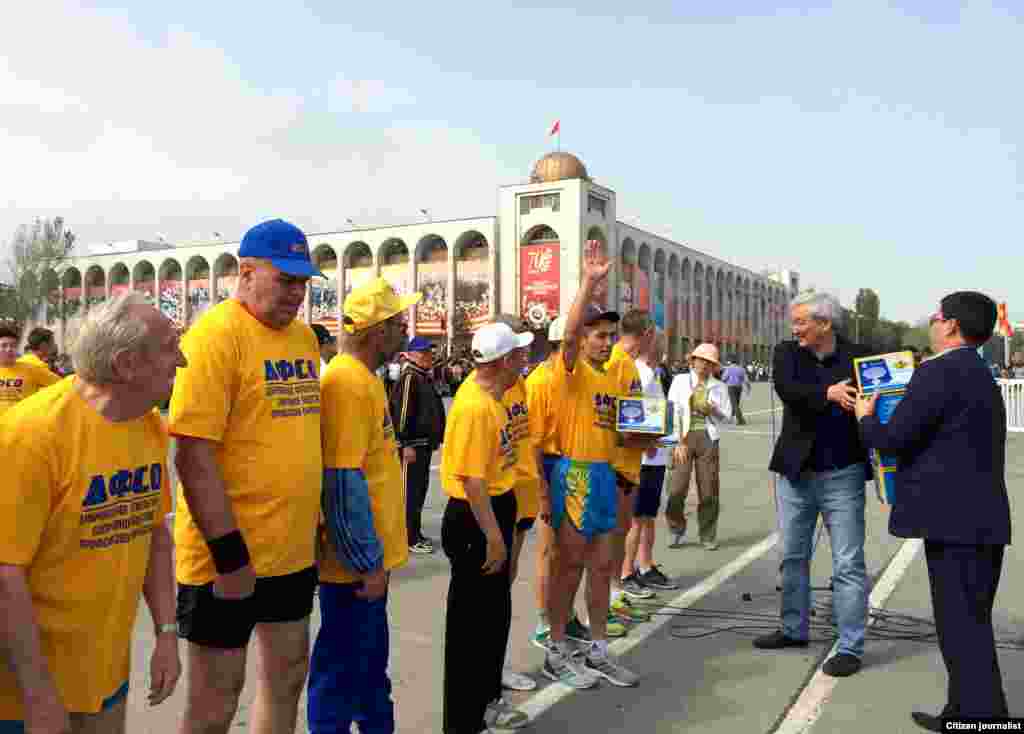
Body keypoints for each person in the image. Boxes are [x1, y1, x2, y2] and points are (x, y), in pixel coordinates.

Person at [169, 219, 325, 734]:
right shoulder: (214, 337)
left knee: (288, 675)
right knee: (216, 700)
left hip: (291, 551)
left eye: (303, 282)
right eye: (286, 280)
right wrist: (229, 555)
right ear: (247, 272)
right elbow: (193, 454)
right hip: (226, 556)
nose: (297, 293)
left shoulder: (304, 339)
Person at [0, 293, 182, 733]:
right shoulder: (30, 436)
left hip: (106, 680)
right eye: (169, 347)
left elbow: (154, 534)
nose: (183, 359)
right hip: (25, 696)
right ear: (126, 364)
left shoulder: (148, 425)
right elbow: (5, 575)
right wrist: (38, 695)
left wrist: (166, 633)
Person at [856, 292, 1010, 731]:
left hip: (954, 524)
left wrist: (866, 417)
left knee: (961, 628)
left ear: (952, 325)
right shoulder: (980, 372)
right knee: (969, 624)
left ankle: (982, 720)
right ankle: (965, 712)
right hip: (982, 520)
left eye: (937, 316)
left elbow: (894, 439)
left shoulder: (938, 371)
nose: (932, 321)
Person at [309, 278, 421, 734]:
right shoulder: (346, 383)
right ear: (377, 331)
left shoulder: (363, 379)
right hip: (354, 571)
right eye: (398, 323)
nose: (406, 331)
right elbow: (342, 482)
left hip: (367, 562)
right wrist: (367, 564)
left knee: (368, 672)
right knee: (343, 674)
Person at [757, 291, 871, 679]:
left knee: (848, 563)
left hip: (844, 473)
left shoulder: (860, 357)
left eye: (801, 322)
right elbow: (789, 390)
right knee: (792, 556)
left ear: (825, 324)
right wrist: (829, 392)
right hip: (795, 474)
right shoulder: (786, 354)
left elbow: (880, 393)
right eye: (794, 322)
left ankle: (850, 646)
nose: (795, 329)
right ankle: (793, 629)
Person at [544, 247, 641, 691]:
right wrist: (589, 283)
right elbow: (567, 336)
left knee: (603, 566)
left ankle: (598, 648)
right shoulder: (572, 371)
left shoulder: (609, 379)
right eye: (598, 335)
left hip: (603, 475)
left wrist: (642, 438)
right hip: (575, 475)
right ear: (581, 340)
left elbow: (618, 433)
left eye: (610, 336)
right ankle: (557, 649)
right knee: (569, 567)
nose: (606, 342)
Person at [440, 322, 533, 733]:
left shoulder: (493, 399)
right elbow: (472, 481)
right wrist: (495, 538)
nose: (524, 361)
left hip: (493, 509)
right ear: (504, 361)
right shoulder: (475, 406)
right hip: (476, 518)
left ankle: (482, 704)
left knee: (491, 619)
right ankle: (462, 720)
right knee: (470, 628)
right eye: (519, 355)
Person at [604, 310, 658, 623]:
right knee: (612, 537)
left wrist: (649, 435)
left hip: (629, 463)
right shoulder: (615, 362)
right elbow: (609, 416)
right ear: (647, 333)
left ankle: (615, 593)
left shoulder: (629, 363)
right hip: (614, 464)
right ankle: (607, 598)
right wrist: (641, 437)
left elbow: (632, 414)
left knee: (621, 531)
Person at [622, 330, 677, 591]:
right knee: (637, 519)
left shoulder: (653, 372)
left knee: (647, 516)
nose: (665, 347)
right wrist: (647, 440)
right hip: (643, 458)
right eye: (661, 342)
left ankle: (645, 565)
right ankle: (626, 571)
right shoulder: (640, 373)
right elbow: (630, 412)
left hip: (655, 457)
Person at [664, 343, 733, 550]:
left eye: (709, 362)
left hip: (708, 439)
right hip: (683, 438)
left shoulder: (719, 387)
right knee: (676, 488)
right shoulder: (680, 381)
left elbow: (727, 417)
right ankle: (676, 528)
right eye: (701, 360)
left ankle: (708, 534)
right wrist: (677, 442)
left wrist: (714, 410)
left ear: (714, 366)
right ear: (692, 361)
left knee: (709, 489)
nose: (704, 365)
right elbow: (671, 411)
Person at [391, 336, 447, 555]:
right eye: (423, 352)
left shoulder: (422, 376)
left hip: (423, 445)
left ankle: (414, 533)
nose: (428, 356)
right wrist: (404, 443)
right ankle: (408, 537)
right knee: (410, 494)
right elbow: (402, 412)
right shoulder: (410, 377)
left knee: (419, 492)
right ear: (412, 355)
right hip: (412, 446)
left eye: (429, 352)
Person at [0, 325, 60, 417]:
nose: (9, 349)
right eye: (4, 346)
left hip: (22, 423)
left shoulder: (32, 369)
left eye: (13, 346)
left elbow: (62, 386)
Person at [721, 359, 750, 425]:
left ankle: (740, 420)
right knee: (736, 403)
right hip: (739, 387)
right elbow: (746, 380)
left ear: (731, 362)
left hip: (731, 387)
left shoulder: (728, 369)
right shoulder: (741, 369)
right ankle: (731, 417)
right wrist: (748, 388)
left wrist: (725, 382)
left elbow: (724, 378)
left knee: (734, 404)